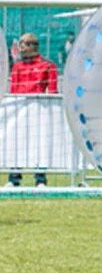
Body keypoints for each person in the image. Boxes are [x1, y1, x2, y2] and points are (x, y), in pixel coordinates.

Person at [6, 32, 58, 187]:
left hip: (39, 111)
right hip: (20, 111)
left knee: (39, 142)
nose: (20, 48)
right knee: (16, 142)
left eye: (23, 44)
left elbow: (53, 91)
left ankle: (40, 178)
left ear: (32, 46)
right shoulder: (17, 67)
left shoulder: (48, 66)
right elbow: (14, 90)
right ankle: (14, 177)